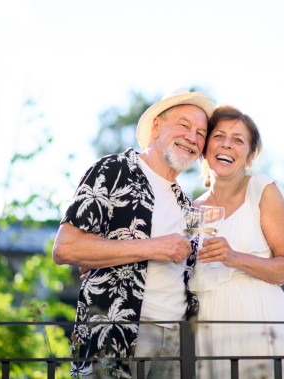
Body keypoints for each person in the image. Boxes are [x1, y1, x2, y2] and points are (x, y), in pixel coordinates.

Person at [52, 88, 214, 378]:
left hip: (175, 345)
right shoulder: (112, 170)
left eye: (201, 133)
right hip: (113, 338)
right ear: (156, 127)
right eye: (184, 125)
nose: (193, 137)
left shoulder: (188, 206)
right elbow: (65, 247)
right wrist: (152, 247)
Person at [190, 105, 284, 379]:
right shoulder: (191, 210)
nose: (227, 145)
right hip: (209, 328)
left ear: (250, 155)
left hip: (261, 320)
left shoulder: (262, 190)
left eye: (238, 140)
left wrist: (235, 257)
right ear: (205, 147)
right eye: (218, 136)